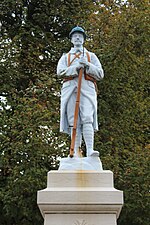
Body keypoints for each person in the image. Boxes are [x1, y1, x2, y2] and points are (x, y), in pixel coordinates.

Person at [57, 26, 104, 157]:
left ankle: (90, 150)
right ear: (71, 39)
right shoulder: (66, 57)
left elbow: (100, 74)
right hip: (71, 90)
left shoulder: (91, 56)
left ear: (83, 39)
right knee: (73, 121)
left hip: (86, 90)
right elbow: (60, 72)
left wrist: (88, 65)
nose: (77, 38)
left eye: (80, 36)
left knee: (87, 118)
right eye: (75, 36)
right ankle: (75, 151)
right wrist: (75, 68)